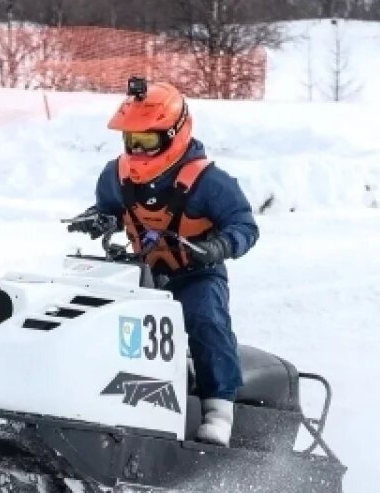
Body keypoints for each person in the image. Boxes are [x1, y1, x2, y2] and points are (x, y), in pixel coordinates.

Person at [70, 80, 258, 446]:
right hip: (138, 273)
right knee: (94, 315)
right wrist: (98, 219)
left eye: (147, 142)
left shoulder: (211, 182)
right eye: (131, 141)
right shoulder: (114, 175)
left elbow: (245, 226)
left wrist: (219, 245)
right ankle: (96, 397)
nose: (137, 151)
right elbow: (109, 209)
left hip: (197, 273)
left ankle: (218, 412)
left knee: (206, 318)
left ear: (175, 134)